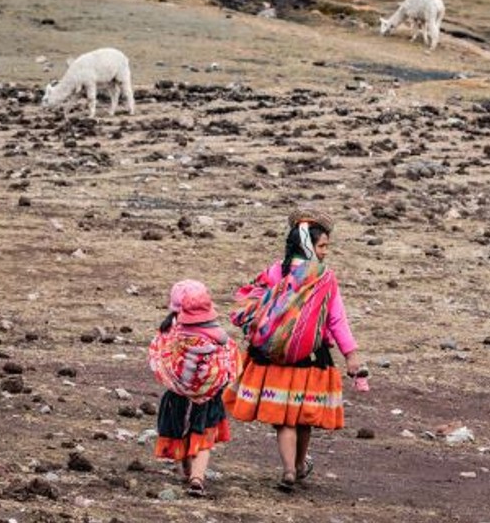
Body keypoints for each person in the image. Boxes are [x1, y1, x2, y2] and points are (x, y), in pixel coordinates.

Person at [224, 208, 362, 491]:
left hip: (272, 359)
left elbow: (250, 299)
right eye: (322, 246)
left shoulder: (277, 270)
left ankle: (288, 469)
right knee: (303, 418)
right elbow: (337, 319)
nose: (325, 252)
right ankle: (299, 466)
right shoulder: (324, 277)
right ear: (308, 244)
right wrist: (351, 355)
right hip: (311, 359)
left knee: (283, 420)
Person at [148, 280, 239, 498]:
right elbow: (230, 361)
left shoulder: (169, 333)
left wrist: (177, 380)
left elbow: (157, 357)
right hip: (208, 397)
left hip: (177, 395)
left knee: (180, 430)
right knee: (203, 436)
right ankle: (197, 478)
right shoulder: (219, 336)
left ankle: (186, 468)